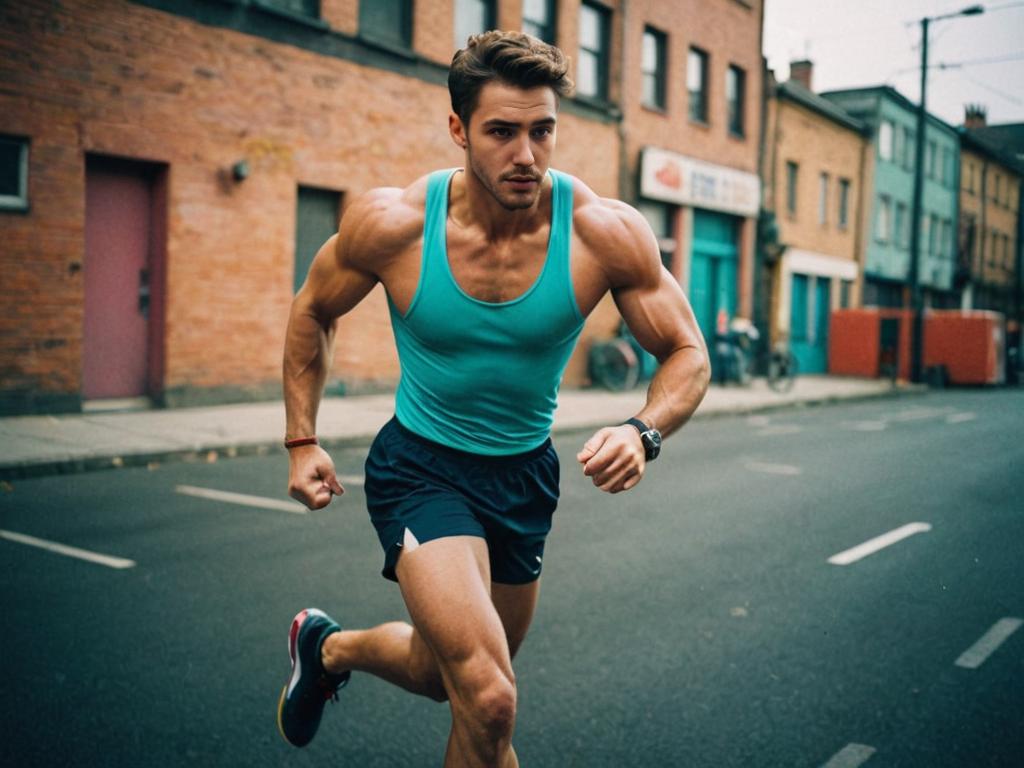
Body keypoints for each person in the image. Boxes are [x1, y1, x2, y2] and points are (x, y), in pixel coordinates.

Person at [277, 30, 710, 767]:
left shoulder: (603, 233)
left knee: (446, 681)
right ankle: (332, 649)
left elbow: (688, 353)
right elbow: (313, 309)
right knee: (491, 698)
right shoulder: (398, 226)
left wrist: (644, 431)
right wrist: (302, 439)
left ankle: (329, 648)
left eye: (542, 131)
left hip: (523, 477)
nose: (527, 155)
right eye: (502, 132)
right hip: (421, 468)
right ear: (458, 130)